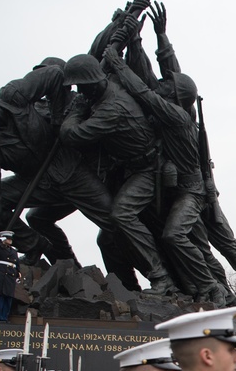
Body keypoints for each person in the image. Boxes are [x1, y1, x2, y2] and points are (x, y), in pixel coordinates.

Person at [102, 44, 227, 305]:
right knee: (115, 236)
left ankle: (215, 288)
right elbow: (165, 80)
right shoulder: (173, 107)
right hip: (169, 186)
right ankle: (200, 287)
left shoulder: (176, 115)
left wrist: (119, 64)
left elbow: (145, 91)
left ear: (175, 97)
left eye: (169, 85)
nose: (163, 82)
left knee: (185, 238)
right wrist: (156, 40)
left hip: (189, 192)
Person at [59, 53, 176, 295]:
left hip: (148, 169)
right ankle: (126, 289)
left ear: (93, 82)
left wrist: (76, 112)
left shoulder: (112, 108)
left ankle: (162, 279)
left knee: (122, 214)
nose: (79, 91)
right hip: (128, 168)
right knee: (105, 239)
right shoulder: (105, 87)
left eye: (82, 86)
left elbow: (73, 135)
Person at [0, 230, 21, 322]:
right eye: (7, 238)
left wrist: (18, 273)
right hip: (1, 275)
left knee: (8, 298)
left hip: (11, 275)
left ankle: (5, 317)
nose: (10, 240)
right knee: (0, 297)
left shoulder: (13, 251)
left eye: (10, 239)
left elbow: (17, 263)